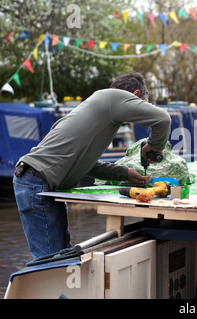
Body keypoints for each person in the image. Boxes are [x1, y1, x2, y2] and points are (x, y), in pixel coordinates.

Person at [13, 72, 171, 259]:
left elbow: (86, 165)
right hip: (37, 181)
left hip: (37, 180)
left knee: (62, 255)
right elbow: (163, 119)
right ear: (135, 96)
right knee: (49, 262)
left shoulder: (100, 106)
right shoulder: (115, 99)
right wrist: (153, 146)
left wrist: (125, 173)